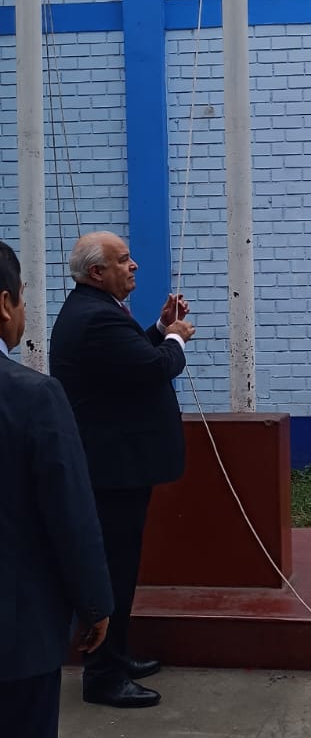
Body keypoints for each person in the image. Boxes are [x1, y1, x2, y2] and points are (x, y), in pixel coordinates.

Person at [0, 240, 115, 738]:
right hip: (15, 637)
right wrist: (94, 602)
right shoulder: (30, 398)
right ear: (3, 304)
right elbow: (70, 514)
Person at [49, 232, 195, 710]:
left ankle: (116, 655)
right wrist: (175, 337)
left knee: (122, 565)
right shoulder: (97, 318)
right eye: (124, 260)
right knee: (113, 568)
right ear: (97, 272)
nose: (134, 266)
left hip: (116, 466)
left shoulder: (97, 311)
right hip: (112, 468)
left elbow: (130, 361)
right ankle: (104, 675)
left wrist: (159, 327)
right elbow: (154, 367)